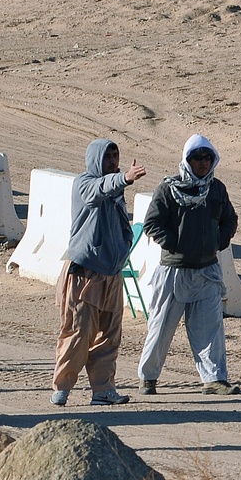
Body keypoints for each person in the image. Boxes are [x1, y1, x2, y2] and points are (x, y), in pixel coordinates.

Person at [137, 134, 240, 396]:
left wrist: (218, 240)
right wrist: (175, 243)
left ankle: (214, 379)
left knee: (210, 328)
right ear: (186, 159)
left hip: (206, 270)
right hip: (174, 271)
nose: (203, 163)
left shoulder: (216, 190)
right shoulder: (169, 189)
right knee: (161, 327)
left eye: (207, 157)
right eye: (197, 158)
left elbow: (230, 219)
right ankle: (148, 379)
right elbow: (152, 224)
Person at [50, 139, 147, 407]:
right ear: (95, 159)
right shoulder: (84, 184)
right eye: (108, 157)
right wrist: (124, 178)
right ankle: (62, 387)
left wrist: (123, 245)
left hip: (111, 273)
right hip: (85, 272)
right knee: (79, 332)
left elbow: (119, 222)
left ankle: (103, 390)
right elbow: (99, 189)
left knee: (109, 334)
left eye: (116, 156)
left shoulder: (116, 190)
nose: (113, 162)